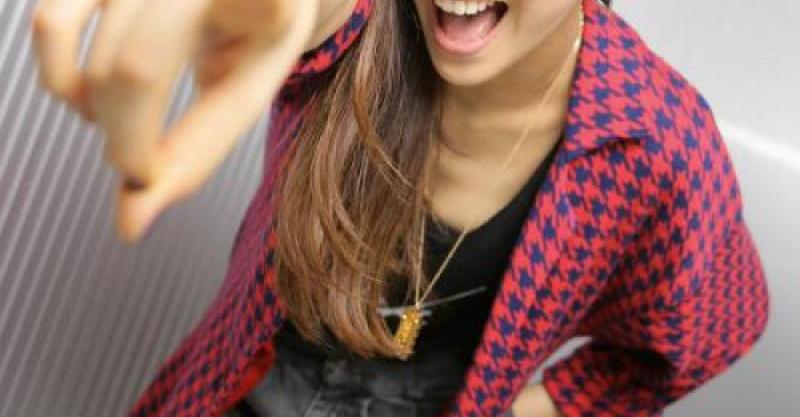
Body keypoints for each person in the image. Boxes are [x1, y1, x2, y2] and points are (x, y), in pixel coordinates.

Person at [30, 0, 771, 416]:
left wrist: (531, 406)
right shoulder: (365, 23)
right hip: (238, 390)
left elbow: (712, 332)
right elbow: (305, 15)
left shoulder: (659, 147)